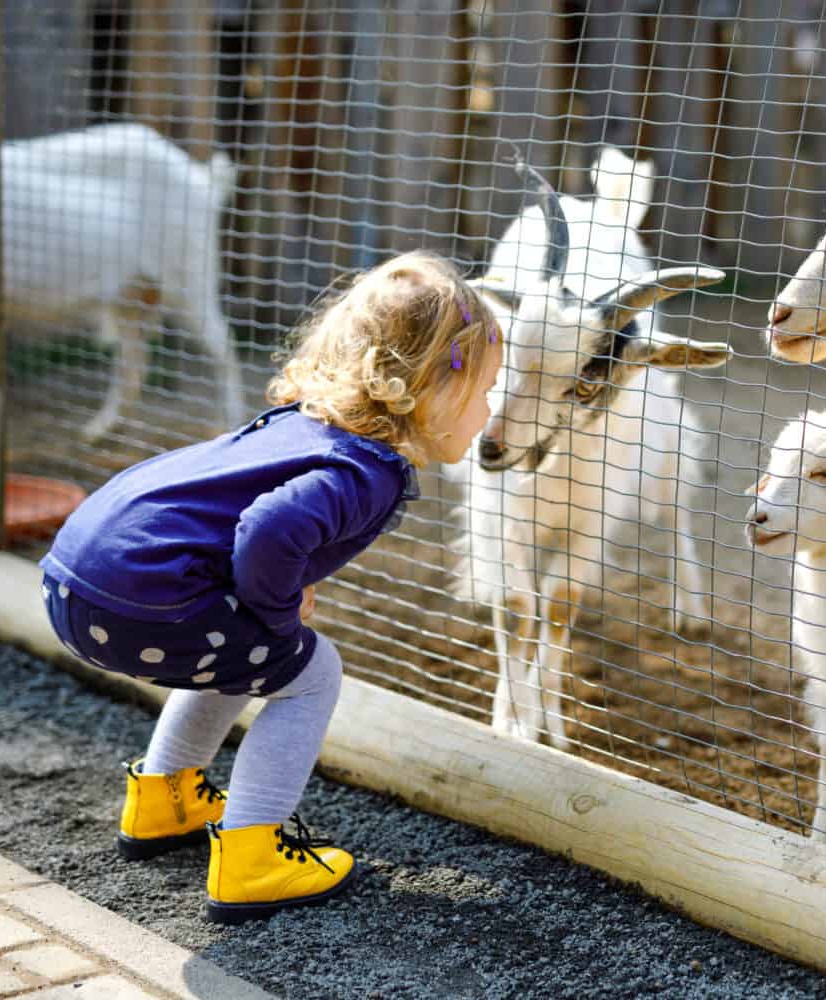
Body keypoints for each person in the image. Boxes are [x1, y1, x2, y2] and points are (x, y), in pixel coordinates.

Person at [39, 251, 503, 923]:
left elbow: (246, 528)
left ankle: (164, 799)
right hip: (143, 599)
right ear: (433, 386)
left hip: (76, 583)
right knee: (310, 671)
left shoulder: (304, 426)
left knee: (247, 648)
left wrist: (268, 608)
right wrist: (279, 613)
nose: (491, 408)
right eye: (485, 388)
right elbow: (270, 529)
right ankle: (254, 854)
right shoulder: (364, 470)